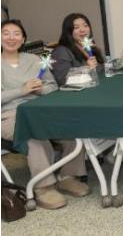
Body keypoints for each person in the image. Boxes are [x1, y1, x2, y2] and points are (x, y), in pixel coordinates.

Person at [2, 20, 89, 209]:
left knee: (72, 131)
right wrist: (21, 90)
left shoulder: (34, 60)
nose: (11, 38)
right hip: (9, 115)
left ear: (23, 39)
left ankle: (68, 177)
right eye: (6, 33)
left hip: (39, 110)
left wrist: (39, 90)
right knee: (35, 136)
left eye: (16, 34)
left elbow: (52, 86)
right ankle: (44, 187)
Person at [52, 13, 105, 86]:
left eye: (85, 25)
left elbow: (103, 69)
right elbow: (62, 80)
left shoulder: (91, 47)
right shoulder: (61, 51)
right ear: (68, 32)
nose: (82, 30)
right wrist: (87, 68)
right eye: (76, 27)